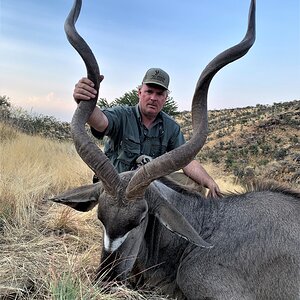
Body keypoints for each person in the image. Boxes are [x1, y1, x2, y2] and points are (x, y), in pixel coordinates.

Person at [73, 68, 221, 197]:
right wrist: (85, 100)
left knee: (195, 185)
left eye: (159, 94)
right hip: (116, 186)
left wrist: (210, 183)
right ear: (139, 92)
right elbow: (100, 121)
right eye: (149, 91)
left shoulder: (171, 127)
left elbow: (187, 160)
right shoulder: (122, 115)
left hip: (148, 188)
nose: (153, 98)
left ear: (165, 98)